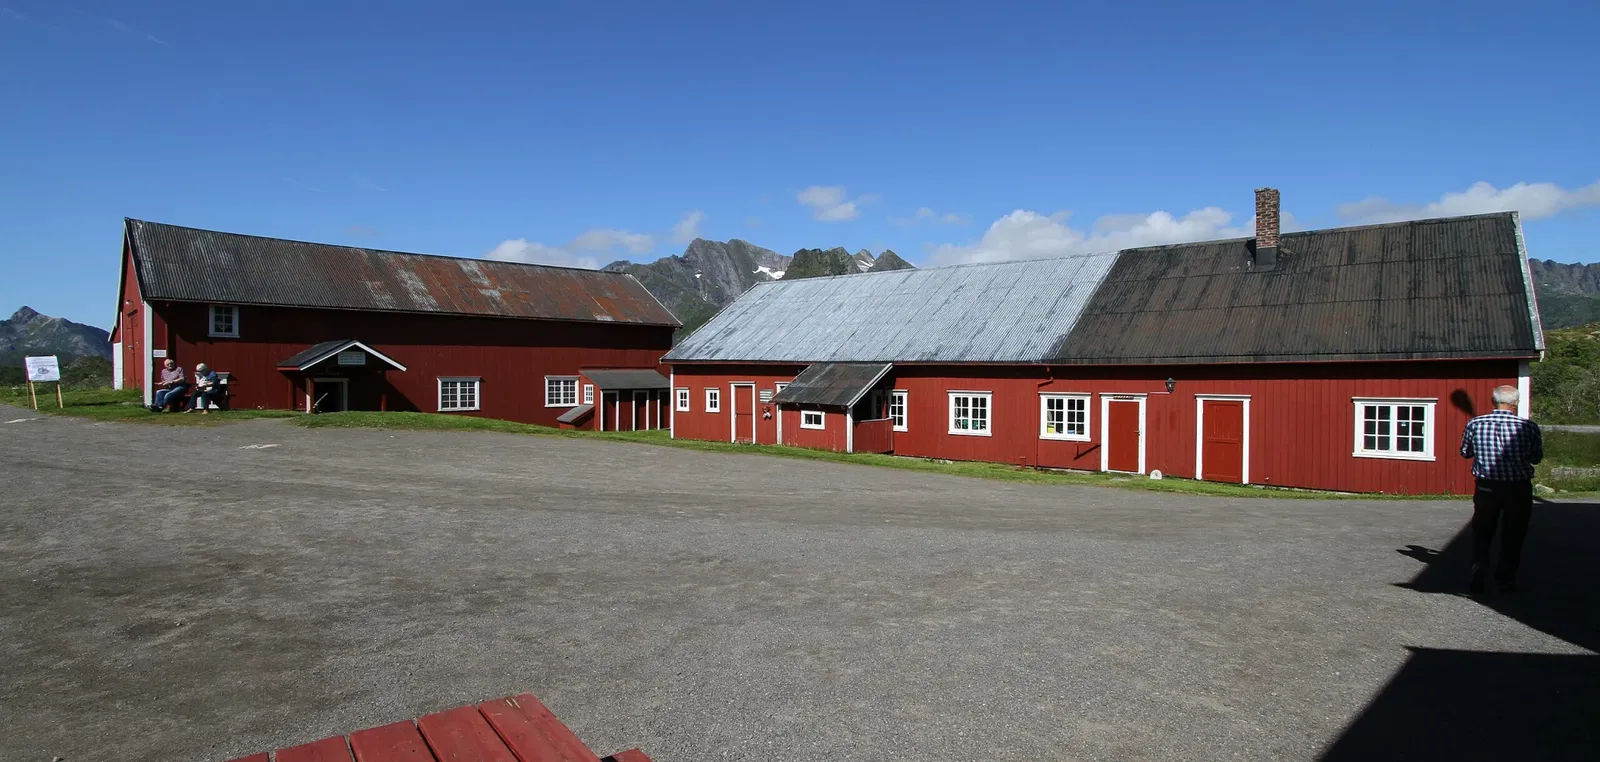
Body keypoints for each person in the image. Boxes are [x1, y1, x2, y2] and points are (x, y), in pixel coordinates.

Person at [1459, 385, 1543, 594]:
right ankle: (1505, 579)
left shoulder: (1475, 424)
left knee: (1483, 532)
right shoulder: (1528, 427)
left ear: (1493, 400)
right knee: (1513, 534)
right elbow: (1536, 457)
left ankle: (1478, 572)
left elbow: (1465, 452)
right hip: (1518, 487)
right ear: (1515, 402)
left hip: (1487, 486)